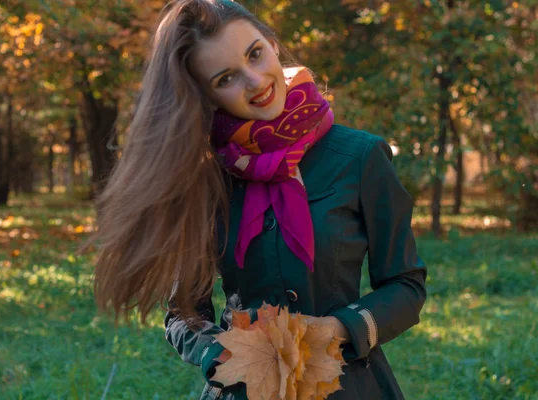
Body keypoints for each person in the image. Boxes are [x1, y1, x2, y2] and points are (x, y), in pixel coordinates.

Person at [90, 0, 427, 399]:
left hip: (347, 385)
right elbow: (184, 313)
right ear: (207, 96)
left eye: (255, 54)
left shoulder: (360, 157)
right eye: (226, 78)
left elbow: (405, 286)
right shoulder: (204, 180)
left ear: (271, 42)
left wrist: (337, 330)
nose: (254, 81)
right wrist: (226, 354)